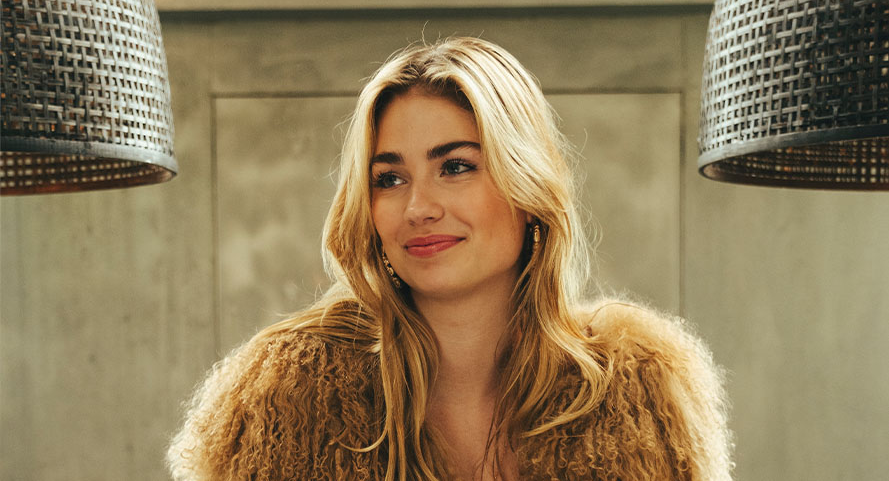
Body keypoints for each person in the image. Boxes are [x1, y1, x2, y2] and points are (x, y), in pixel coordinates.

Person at [167, 37, 732, 481]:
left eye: (455, 167)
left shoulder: (637, 394)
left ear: (527, 188)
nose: (418, 208)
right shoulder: (290, 399)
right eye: (389, 179)